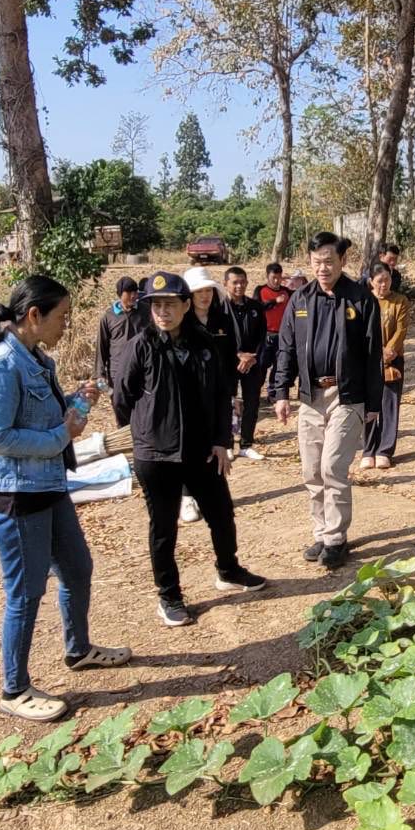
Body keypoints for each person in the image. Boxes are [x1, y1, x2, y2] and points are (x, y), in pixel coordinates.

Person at [0, 276, 131, 722]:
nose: (67, 325)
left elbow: (46, 421)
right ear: (33, 316)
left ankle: (78, 649)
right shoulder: (1, 365)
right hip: (15, 495)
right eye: (61, 317)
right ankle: (14, 689)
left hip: (47, 485)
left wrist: (76, 405)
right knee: (25, 592)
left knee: (77, 567)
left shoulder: (37, 359)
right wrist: (60, 434)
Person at [114, 271, 268, 627]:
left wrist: (221, 441)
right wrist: (146, 430)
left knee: (222, 514)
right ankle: (169, 596)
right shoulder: (141, 345)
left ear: (185, 305)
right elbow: (123, 398)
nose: (162, 312)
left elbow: (219, 395)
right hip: (157, 455)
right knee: (164, 527)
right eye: (155, 305)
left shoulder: (205, 344)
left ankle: (228, 570)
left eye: (169, 304)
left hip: (202, 450)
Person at [272, 232, 383, 570]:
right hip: (310, 396)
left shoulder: (362, 300)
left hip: (347, 397)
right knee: (311, 469)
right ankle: (320, 532)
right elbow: (286, 348)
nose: (323, 267)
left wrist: (374, 403)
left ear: (342, 262)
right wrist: (280, 392)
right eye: (317, 261)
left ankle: (336, 538)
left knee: (332, 467)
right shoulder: (300, 300)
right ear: (310, 262)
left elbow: (372, 356)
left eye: (329, 261)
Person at [180, 267, 233, 522]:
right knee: (190, 447)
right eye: (199, 291)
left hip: (217, 395)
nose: (204, 296)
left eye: (208, 290)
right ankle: (187, 497)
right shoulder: (181, 324)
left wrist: (235, 394)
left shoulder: (222, 320)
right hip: (189, 396)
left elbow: (230, 357)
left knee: (217, 444)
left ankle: (212, 493)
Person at [361, 262, 409, 470]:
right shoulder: (363, 300)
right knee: (370, 406)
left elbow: (401, 329)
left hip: (392, 359)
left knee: (390, 405)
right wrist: (374, 354)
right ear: (371, 281)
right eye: (379, 281)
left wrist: (388, 352)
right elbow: (359, 331)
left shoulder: (400, 301)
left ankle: (385, 450)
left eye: (387, 280)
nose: (384, 285)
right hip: (368, 360)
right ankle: (368, 449)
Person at [223, 265, 268, 461]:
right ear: (226, 284)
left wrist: (252, 357)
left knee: (252, 402)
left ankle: (246, 444)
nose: (239, 286)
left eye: (242, 282)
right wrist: (237, 356)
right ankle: (226, 444)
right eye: (235, 282)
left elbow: (263, 336)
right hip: (228, 364)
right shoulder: (219, 309)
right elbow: (217, 340)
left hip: (252, 363)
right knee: (226, 404)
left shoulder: (255, 307)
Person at [94, 275, 147, 391]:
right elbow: (101, 347)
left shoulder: (145, 312)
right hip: (117, 372)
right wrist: (100, 374)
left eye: (135, 291)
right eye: (128, 292)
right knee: (119, 405)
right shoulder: (108, 317)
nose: (133, 295)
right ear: (120, 294)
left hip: (141, 369)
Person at [254, 263, 292, 405]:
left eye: (279, 277)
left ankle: (273, 393)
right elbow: (256, 308)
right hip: (266, 336)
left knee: (279, 366)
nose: (276, 281)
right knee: (261, 366)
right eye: (273, 278)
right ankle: (254, 393)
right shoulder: (261, 291)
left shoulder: (287, 291)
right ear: (267, 276)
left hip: (282, 336)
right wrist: (274, 301)